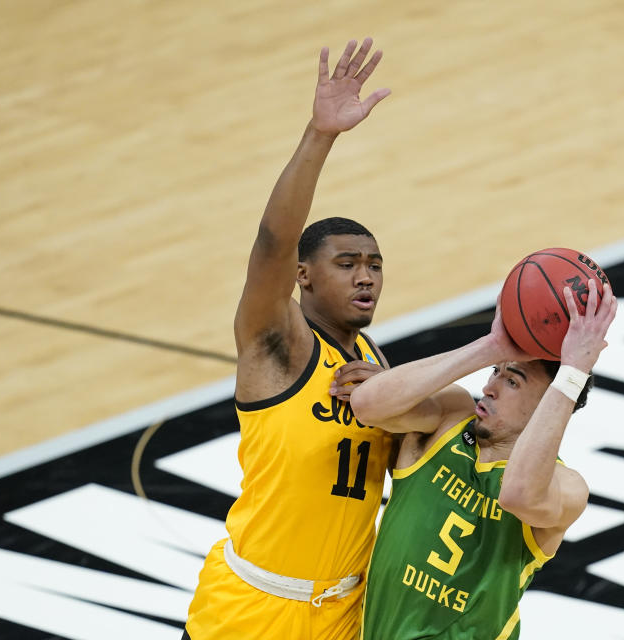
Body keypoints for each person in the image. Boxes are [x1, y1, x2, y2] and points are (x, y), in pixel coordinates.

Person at [183, 38, 393, 640]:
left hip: (344, 613)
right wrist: (319, 136)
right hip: (253, 610)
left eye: (375, 264)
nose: (366, 276)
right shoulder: (277, 343)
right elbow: (272, 245)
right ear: (303, 276)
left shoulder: (373, 359)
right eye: (347, 262)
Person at [349, 281, 617, 640]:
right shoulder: (450, 416)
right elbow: (367, 405)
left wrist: (573, 372)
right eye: (496, 372)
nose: (490, 386)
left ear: (548, 403)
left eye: (513, 381)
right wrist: (491, 347)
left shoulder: (565, 486)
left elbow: (517, 495)